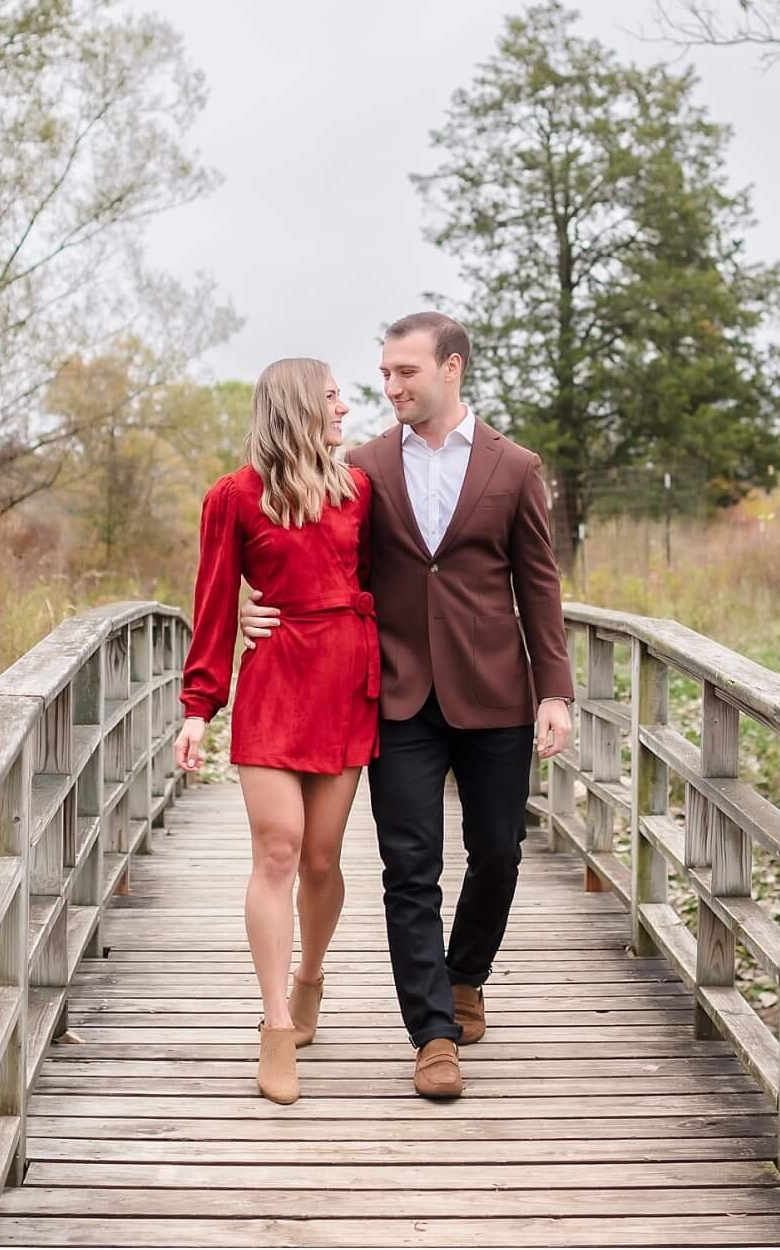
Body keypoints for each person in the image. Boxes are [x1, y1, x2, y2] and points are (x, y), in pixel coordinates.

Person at [242, 311, 573, 1101]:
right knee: (409, 866)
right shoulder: (359, 469)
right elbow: (293, 543)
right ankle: (432, 1033)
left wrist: (555, 689)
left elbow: (540, 585)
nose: (388, 387)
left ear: (451, 368)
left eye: (405, 373)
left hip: (495, 688)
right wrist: (248, 607)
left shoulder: (515, 466)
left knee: (498, 849)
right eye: (383, 373)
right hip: (395, 693)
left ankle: (467, 974)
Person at [176, 358, 379, 1107]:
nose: (345, 408)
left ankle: (310, 978)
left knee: (322, 859)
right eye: (332, 397)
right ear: (297, 404)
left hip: (345, 686)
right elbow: (213, 602)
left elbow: (394, 579)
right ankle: (273, 1025)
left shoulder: (360, 489)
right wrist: (199, 706)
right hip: (273, 687)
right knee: (280, 849)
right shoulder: (232, 497)